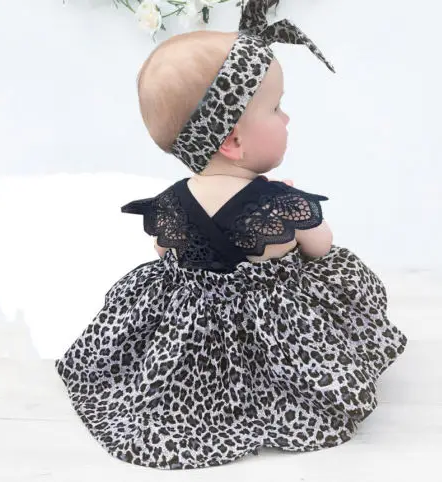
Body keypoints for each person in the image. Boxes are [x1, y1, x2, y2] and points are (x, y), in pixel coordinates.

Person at [55, 0, 408, 470]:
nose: (287, 118)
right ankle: (282, 399)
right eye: (276, 108)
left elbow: (162, 251)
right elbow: (321, 247)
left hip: (192, 338)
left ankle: (192, 409)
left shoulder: (171, 202)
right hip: (274, 338)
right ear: (233, 142)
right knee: (337, 269)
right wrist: (290, 215)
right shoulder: (281, 204)